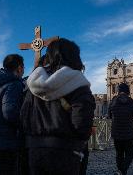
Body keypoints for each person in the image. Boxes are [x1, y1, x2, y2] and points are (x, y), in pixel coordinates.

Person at [20, 38, 95, 175]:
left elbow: (24, 117)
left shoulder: (32, 83)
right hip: (66, 152)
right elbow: (82, 125)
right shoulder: (78, 84)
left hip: (34, 152)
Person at [108, 83, 133, 175]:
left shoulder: (113, 101)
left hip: (116, 132)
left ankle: (121, 172)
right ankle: (122, 171)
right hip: (128, 133)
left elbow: (109, 115)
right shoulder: (131, 102)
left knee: (119, 154)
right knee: (130, 154)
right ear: (127, 91)